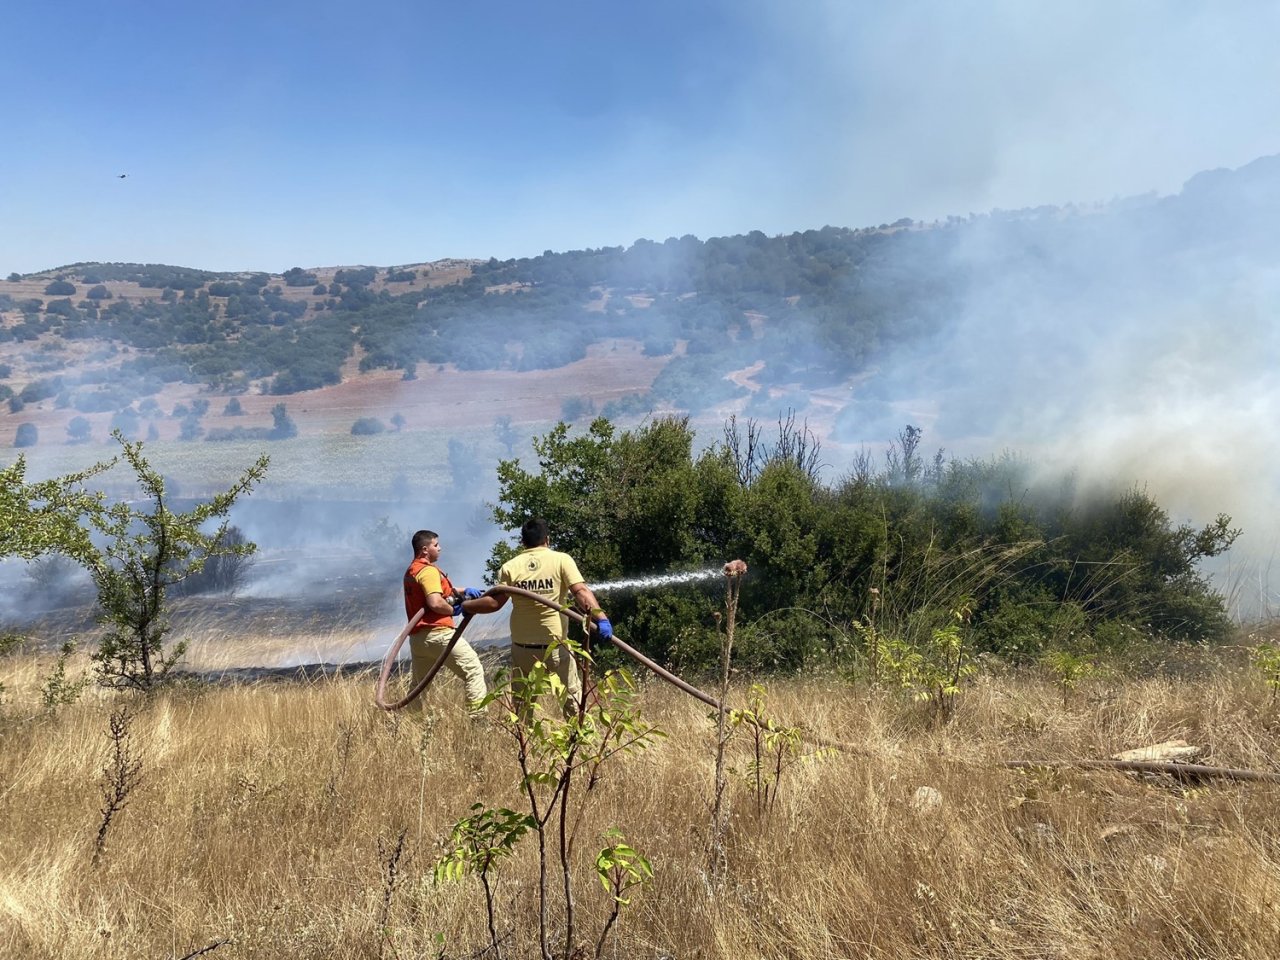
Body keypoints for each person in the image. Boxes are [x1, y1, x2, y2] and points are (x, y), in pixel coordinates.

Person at [458, 517, 612, 708]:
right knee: (572, 702)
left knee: (522, 706)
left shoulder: (510, 566)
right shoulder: (561, 560)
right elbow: (580, 591)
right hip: (556, 647)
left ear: (522, 542)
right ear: (547, 539)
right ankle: (578, 728)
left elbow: (494, 603)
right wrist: (602, 619)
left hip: (523, 649)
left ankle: (524, 728)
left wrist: (467, 606)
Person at [402, 529, 487, 716]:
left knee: (419, 686)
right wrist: (455, 609)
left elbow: (437, 591)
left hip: (418, 639)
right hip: (438, 634)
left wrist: (464, 591)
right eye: (436, 545)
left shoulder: (413, 569)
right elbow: (435, 602)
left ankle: (412, 724)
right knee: (473, 670)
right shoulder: (428, 571)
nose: (440, 548)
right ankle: (479, 720)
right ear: (425, 549)